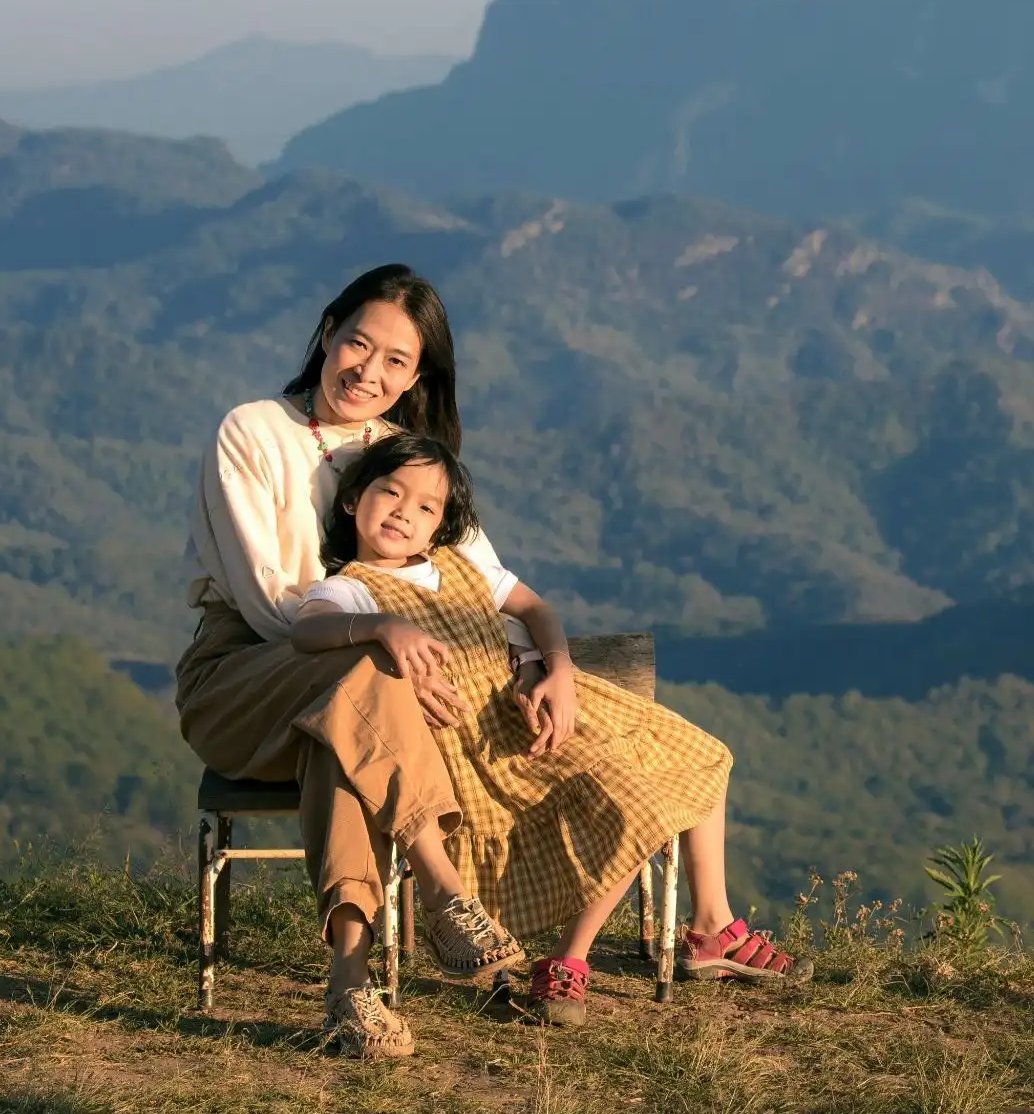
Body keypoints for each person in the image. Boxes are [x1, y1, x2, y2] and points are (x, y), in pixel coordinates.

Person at [294, 433, 803, 1028]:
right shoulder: (351, 587)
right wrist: (380, 627)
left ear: (440, 528)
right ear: (354, 500)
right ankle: (571, 962)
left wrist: (556, 667)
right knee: (633, 804)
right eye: (390, 491)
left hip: (526, 717)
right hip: (471, 750)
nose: (405, 511)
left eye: (427, 507)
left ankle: (667, 934)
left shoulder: (461, 567)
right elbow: (310, 630)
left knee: (687, 764)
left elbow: (537, 610)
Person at [174, 264, 533, 1060]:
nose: (368, 371)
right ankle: (443, 890)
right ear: (328, 331)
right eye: (357, 343)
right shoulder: (253, 431)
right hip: (241, 678)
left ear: (417, 378)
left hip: (358, 695)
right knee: (362, 679)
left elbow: (475, 579)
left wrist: (541, 658)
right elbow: (271, 607)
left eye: (396, 361)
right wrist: (380, 631)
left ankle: (349, 993)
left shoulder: (409, 461)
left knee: (347, 718)